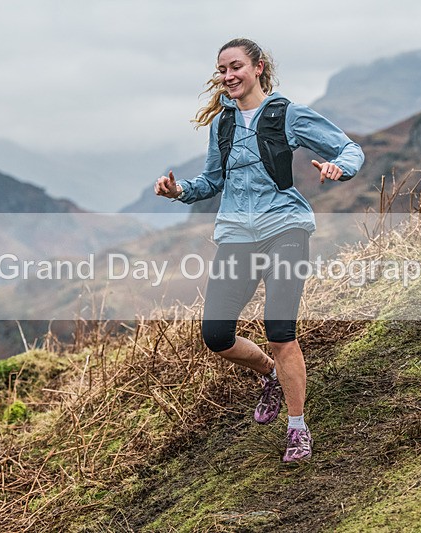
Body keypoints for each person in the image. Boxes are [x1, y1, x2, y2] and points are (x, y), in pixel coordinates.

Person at [155, 38, 364, 463]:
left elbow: (350, 148)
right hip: (236, 235)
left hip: (285, 227)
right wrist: (179, 191)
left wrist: (338, 168)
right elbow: (213, 181)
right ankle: (269, 375)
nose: (228, 76)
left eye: (236, 67)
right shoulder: (224, 124)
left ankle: (297, 428)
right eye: (222, 69)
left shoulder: (287, 114)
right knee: (216, 336)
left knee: (280, 330)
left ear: (258, 67)